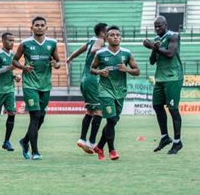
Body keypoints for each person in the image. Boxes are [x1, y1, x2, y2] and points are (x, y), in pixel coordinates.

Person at [14, 16, 60, 160]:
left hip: (45, 85)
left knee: (41, 118)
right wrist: (23, 67)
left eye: (42, 25)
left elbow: (57, 62)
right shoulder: (25, 44)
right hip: (30, 84)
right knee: (35, 117)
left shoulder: (52, 43)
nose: (39, 27)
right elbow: (14, 60)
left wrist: (56, 64)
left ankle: (25, 141)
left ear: (46, 28)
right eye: (37, 25)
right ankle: (35, 152)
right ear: (32, 28)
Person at [91, 25, 140, 160]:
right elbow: (92, 69)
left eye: (117, 35)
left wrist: (127, 70)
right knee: (111, 119)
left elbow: (137, 71)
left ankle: (99, 146)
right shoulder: (100, 54)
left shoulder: (126, 53)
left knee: (112, 122)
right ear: (106, 38)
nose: (115, 37)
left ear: (121, 38)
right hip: (105, 90)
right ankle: (112, 150)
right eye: (112, 35)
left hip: (120, 91)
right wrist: (100, 72)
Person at [143, 15, 183, 154]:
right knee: (157, 106)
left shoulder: (173, 36)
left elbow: (170, 54)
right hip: (160, 78)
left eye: (159, 26)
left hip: (173, 77)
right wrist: (153, 48)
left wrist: (153, 47)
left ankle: (177, 142)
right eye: (155, 26)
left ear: (166, 24)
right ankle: (165, 137)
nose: (157, 28)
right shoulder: (156, 40)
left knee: (173, 109)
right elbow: (152, 61)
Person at [66, 22, 107, 154]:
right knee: (99, 111)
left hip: (84, 79)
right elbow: (95, 49)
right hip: (92, 79)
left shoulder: (91, 40)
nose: (109, 35)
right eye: (107, 32)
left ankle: (83, 140)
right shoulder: (100, 41)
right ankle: (92, 142)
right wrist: (104, 51)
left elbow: (79, 50)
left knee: (90, 111)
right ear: (102, 32)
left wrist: (70, 58)